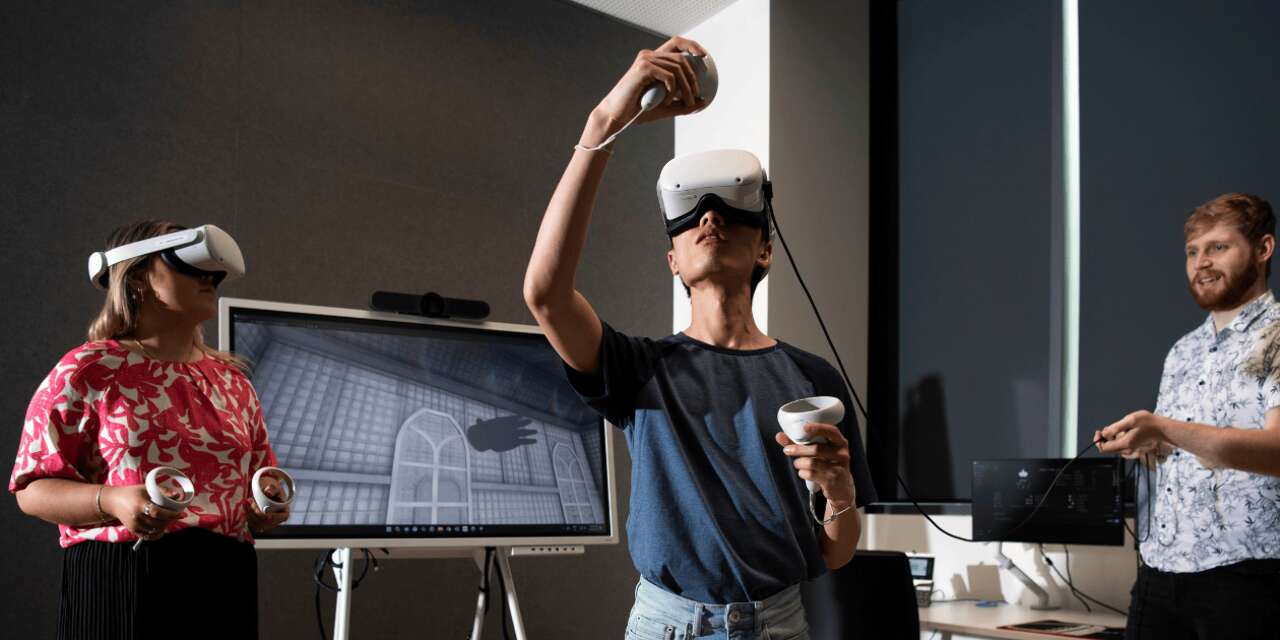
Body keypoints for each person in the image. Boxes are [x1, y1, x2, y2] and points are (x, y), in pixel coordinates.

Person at [523, 36, 876, 639]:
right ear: (673, 262)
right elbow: (545, 294)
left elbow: (835, 553)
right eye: (691, 217)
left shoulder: (814, 380)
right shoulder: (639, 368)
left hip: (780, 623)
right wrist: (604, 122)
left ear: (765, 248)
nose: (710, 217)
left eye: (733, 212)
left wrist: (839, 492)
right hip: (668, 625)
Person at [9, 219, 289, 639]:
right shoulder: (89, 370)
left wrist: (264, 507)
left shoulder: (233, 382)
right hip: (123, 577)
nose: (209, 277)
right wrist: (114, 501)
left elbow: (258, 481)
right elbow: (31, 489)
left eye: (213, 272)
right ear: (138, 278)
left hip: (225, 580)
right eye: (189, 265)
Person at [1094, 193, 1280, 640]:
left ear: (1263, 249)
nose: (1201, 263)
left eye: (1218, 247)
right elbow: (1187, 444)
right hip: (1161, 573)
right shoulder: (1183, 350)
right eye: (1192, 252)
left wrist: (1165, 427)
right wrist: (1148, 443)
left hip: (1247, 578)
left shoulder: (1276, 335)